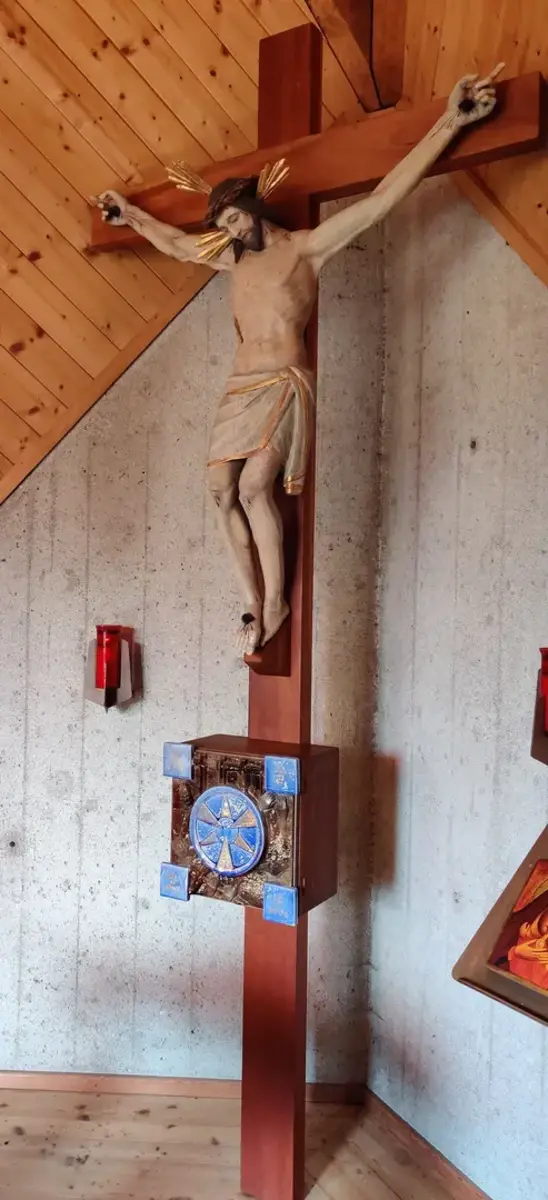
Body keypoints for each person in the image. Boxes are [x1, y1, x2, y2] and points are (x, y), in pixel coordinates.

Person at [96, 67, 502, 657]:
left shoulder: (306, 249)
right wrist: (130, 214)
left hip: (283, 382)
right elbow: (179, 245)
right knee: (219, 490)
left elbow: (382, 201)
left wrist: (449, 123)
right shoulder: (232, 262)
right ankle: (249, 599)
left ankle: (275, 603)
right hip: (238, 388)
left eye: (236, 218)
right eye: (224, 225)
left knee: (255, 486)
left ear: (254, 208)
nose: (232, 231)